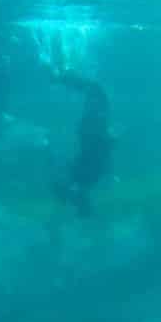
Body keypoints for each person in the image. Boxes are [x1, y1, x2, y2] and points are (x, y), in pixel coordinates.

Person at [54, 70, 114, 216]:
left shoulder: (85, 179)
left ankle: (63, 77)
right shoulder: (86, 179)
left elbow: (99, 153)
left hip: (92, 134)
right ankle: (63, 77)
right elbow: (99, 153)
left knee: (96, 91)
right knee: (96, 91)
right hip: (92, 135)